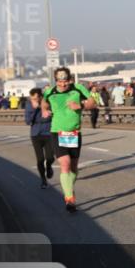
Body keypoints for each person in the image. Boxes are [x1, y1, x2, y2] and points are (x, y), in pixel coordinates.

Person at [43, 67, 96, 212]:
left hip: (74, 133)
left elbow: (93, 103)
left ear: (70, 79)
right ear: (56, 81)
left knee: (73, 167)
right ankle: (69, 198)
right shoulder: (50, 91)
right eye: (60, 82)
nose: (63, 84)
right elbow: (44, 103)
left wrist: (81, 105)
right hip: (57, 132)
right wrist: (44, 110)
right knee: (64, 163)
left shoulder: (78, 88)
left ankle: (69, 188)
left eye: (65, 81)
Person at [25, 87, 55, 188]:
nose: (33, 100)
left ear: (40, 97)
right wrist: (34, 109)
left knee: (50, 157)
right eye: (32, 98)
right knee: (40, 159)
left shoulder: (48, 103)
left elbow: (55, 114)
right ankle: (43, 180)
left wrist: (51, 114)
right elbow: (28, 121)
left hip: (48, 133)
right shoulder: (29, 105)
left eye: (35, 98)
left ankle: (49, 166)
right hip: (36, 135)